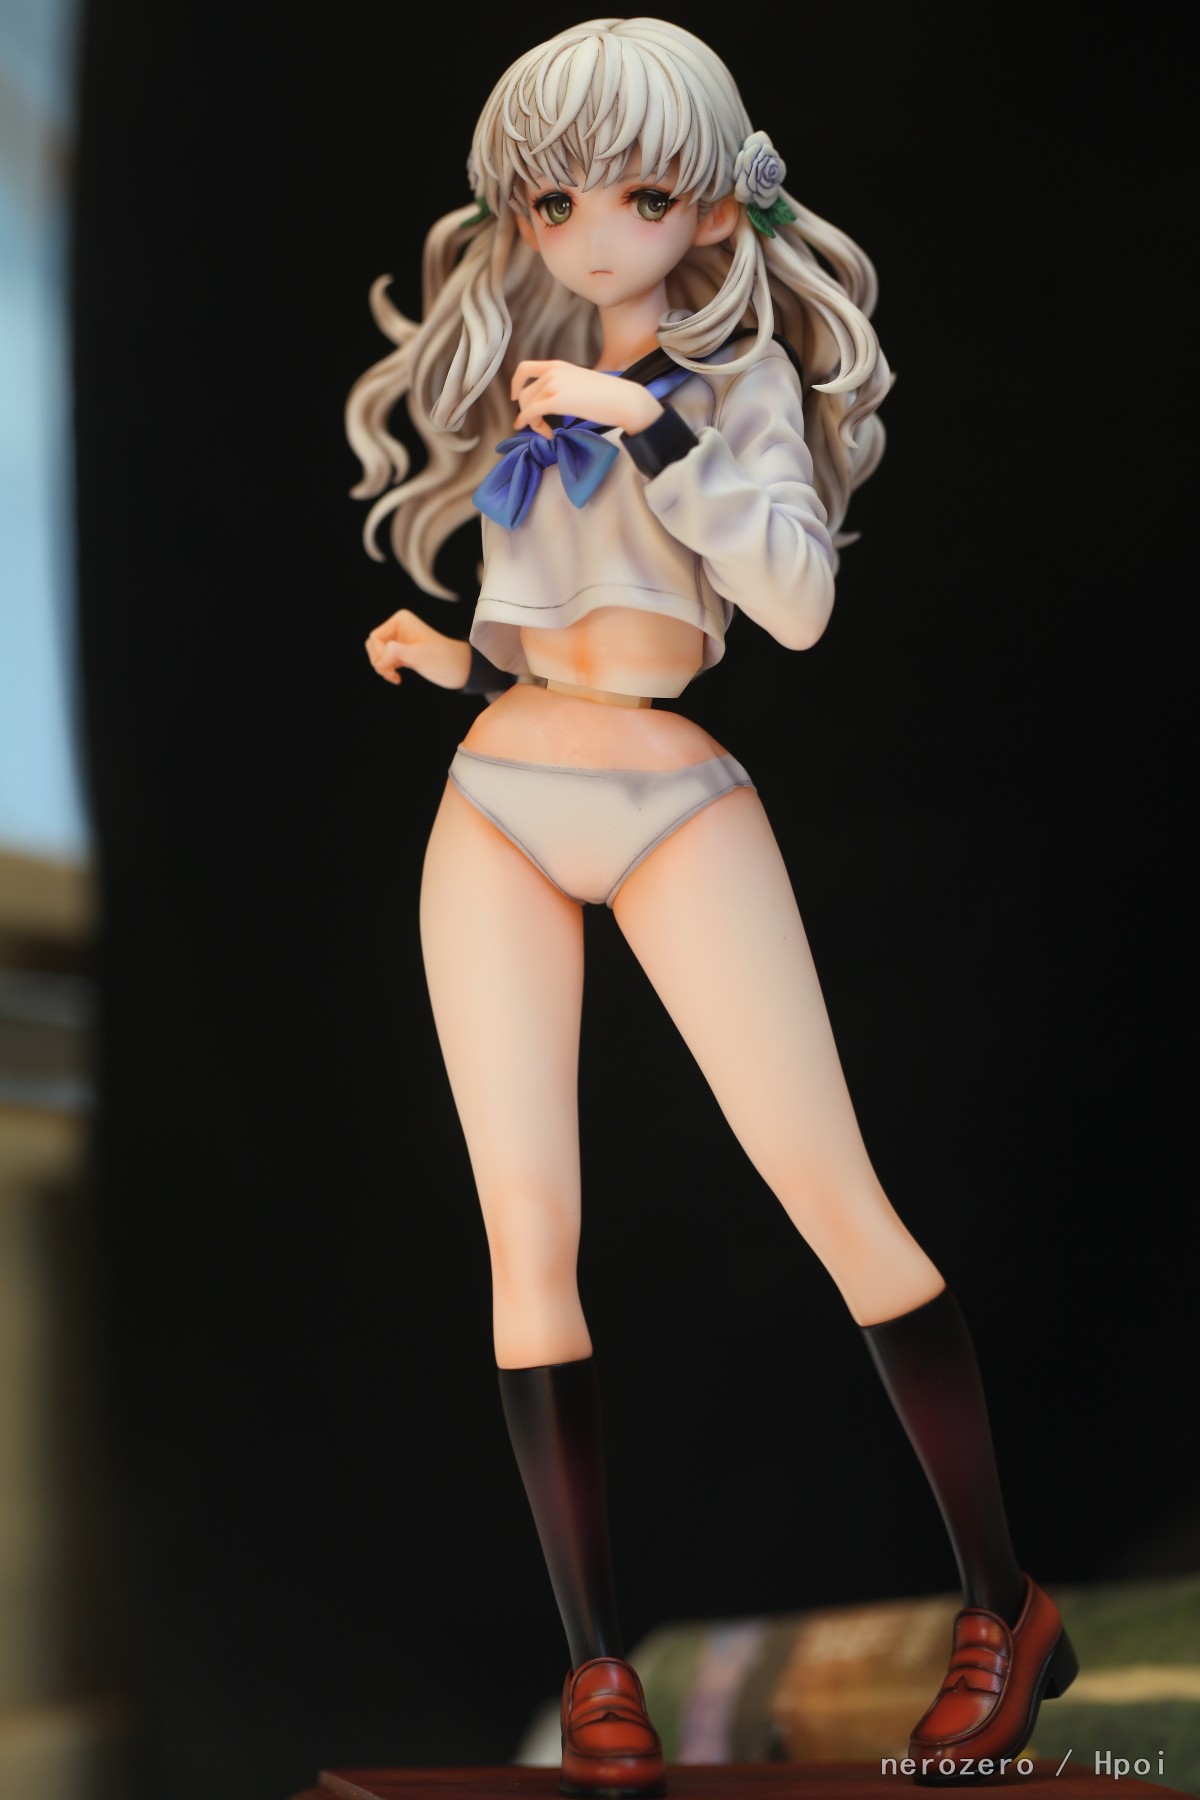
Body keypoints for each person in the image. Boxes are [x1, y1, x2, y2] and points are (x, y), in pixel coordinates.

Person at [345, 19, 1075, 1794]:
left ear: (713, 207)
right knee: (527, 1238)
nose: (590, 234)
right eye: (552, 202)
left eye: (636, 195)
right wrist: (454, 656)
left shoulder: (728, 384)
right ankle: (598, 1672)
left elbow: (793, 606)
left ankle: (1006, 1605)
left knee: (833, 1195)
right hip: (499, 794)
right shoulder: (535, 378)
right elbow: (557, 628)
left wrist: (649, 416)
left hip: (673, 802)